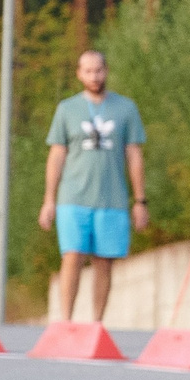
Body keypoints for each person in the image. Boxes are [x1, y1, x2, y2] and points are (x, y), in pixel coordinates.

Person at [39, 49, 147, 324]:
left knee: (104, 261)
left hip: (112, 199)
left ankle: (97, 323)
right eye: (88, 71)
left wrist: (140, 200)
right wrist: (49, 199)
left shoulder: (126, 108)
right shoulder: (67, 109)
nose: (94, 76)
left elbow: (134, 155)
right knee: (72, 256)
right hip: (73, 197)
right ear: (79, 74)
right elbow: (56, 155)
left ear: (106, 71)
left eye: (98, 70)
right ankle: (66, 321)